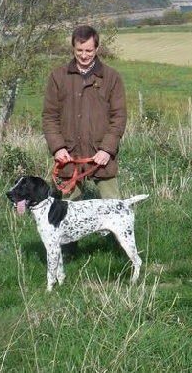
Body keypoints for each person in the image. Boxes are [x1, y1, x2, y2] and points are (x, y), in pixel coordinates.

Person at [42, 25, 127, 251]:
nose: (84, 55)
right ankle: (68, 254)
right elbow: (49, 116)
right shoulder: (58, 76)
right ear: (73, 47)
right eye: (79, 50)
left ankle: (119, 252)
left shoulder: (111, 77)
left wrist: (107, 149)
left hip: (101, 155)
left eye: (89, 50)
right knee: (66, 208)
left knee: (113, 207)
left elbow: (119, 117)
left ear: (97, 48)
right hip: (69, 155)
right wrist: (58, 148)